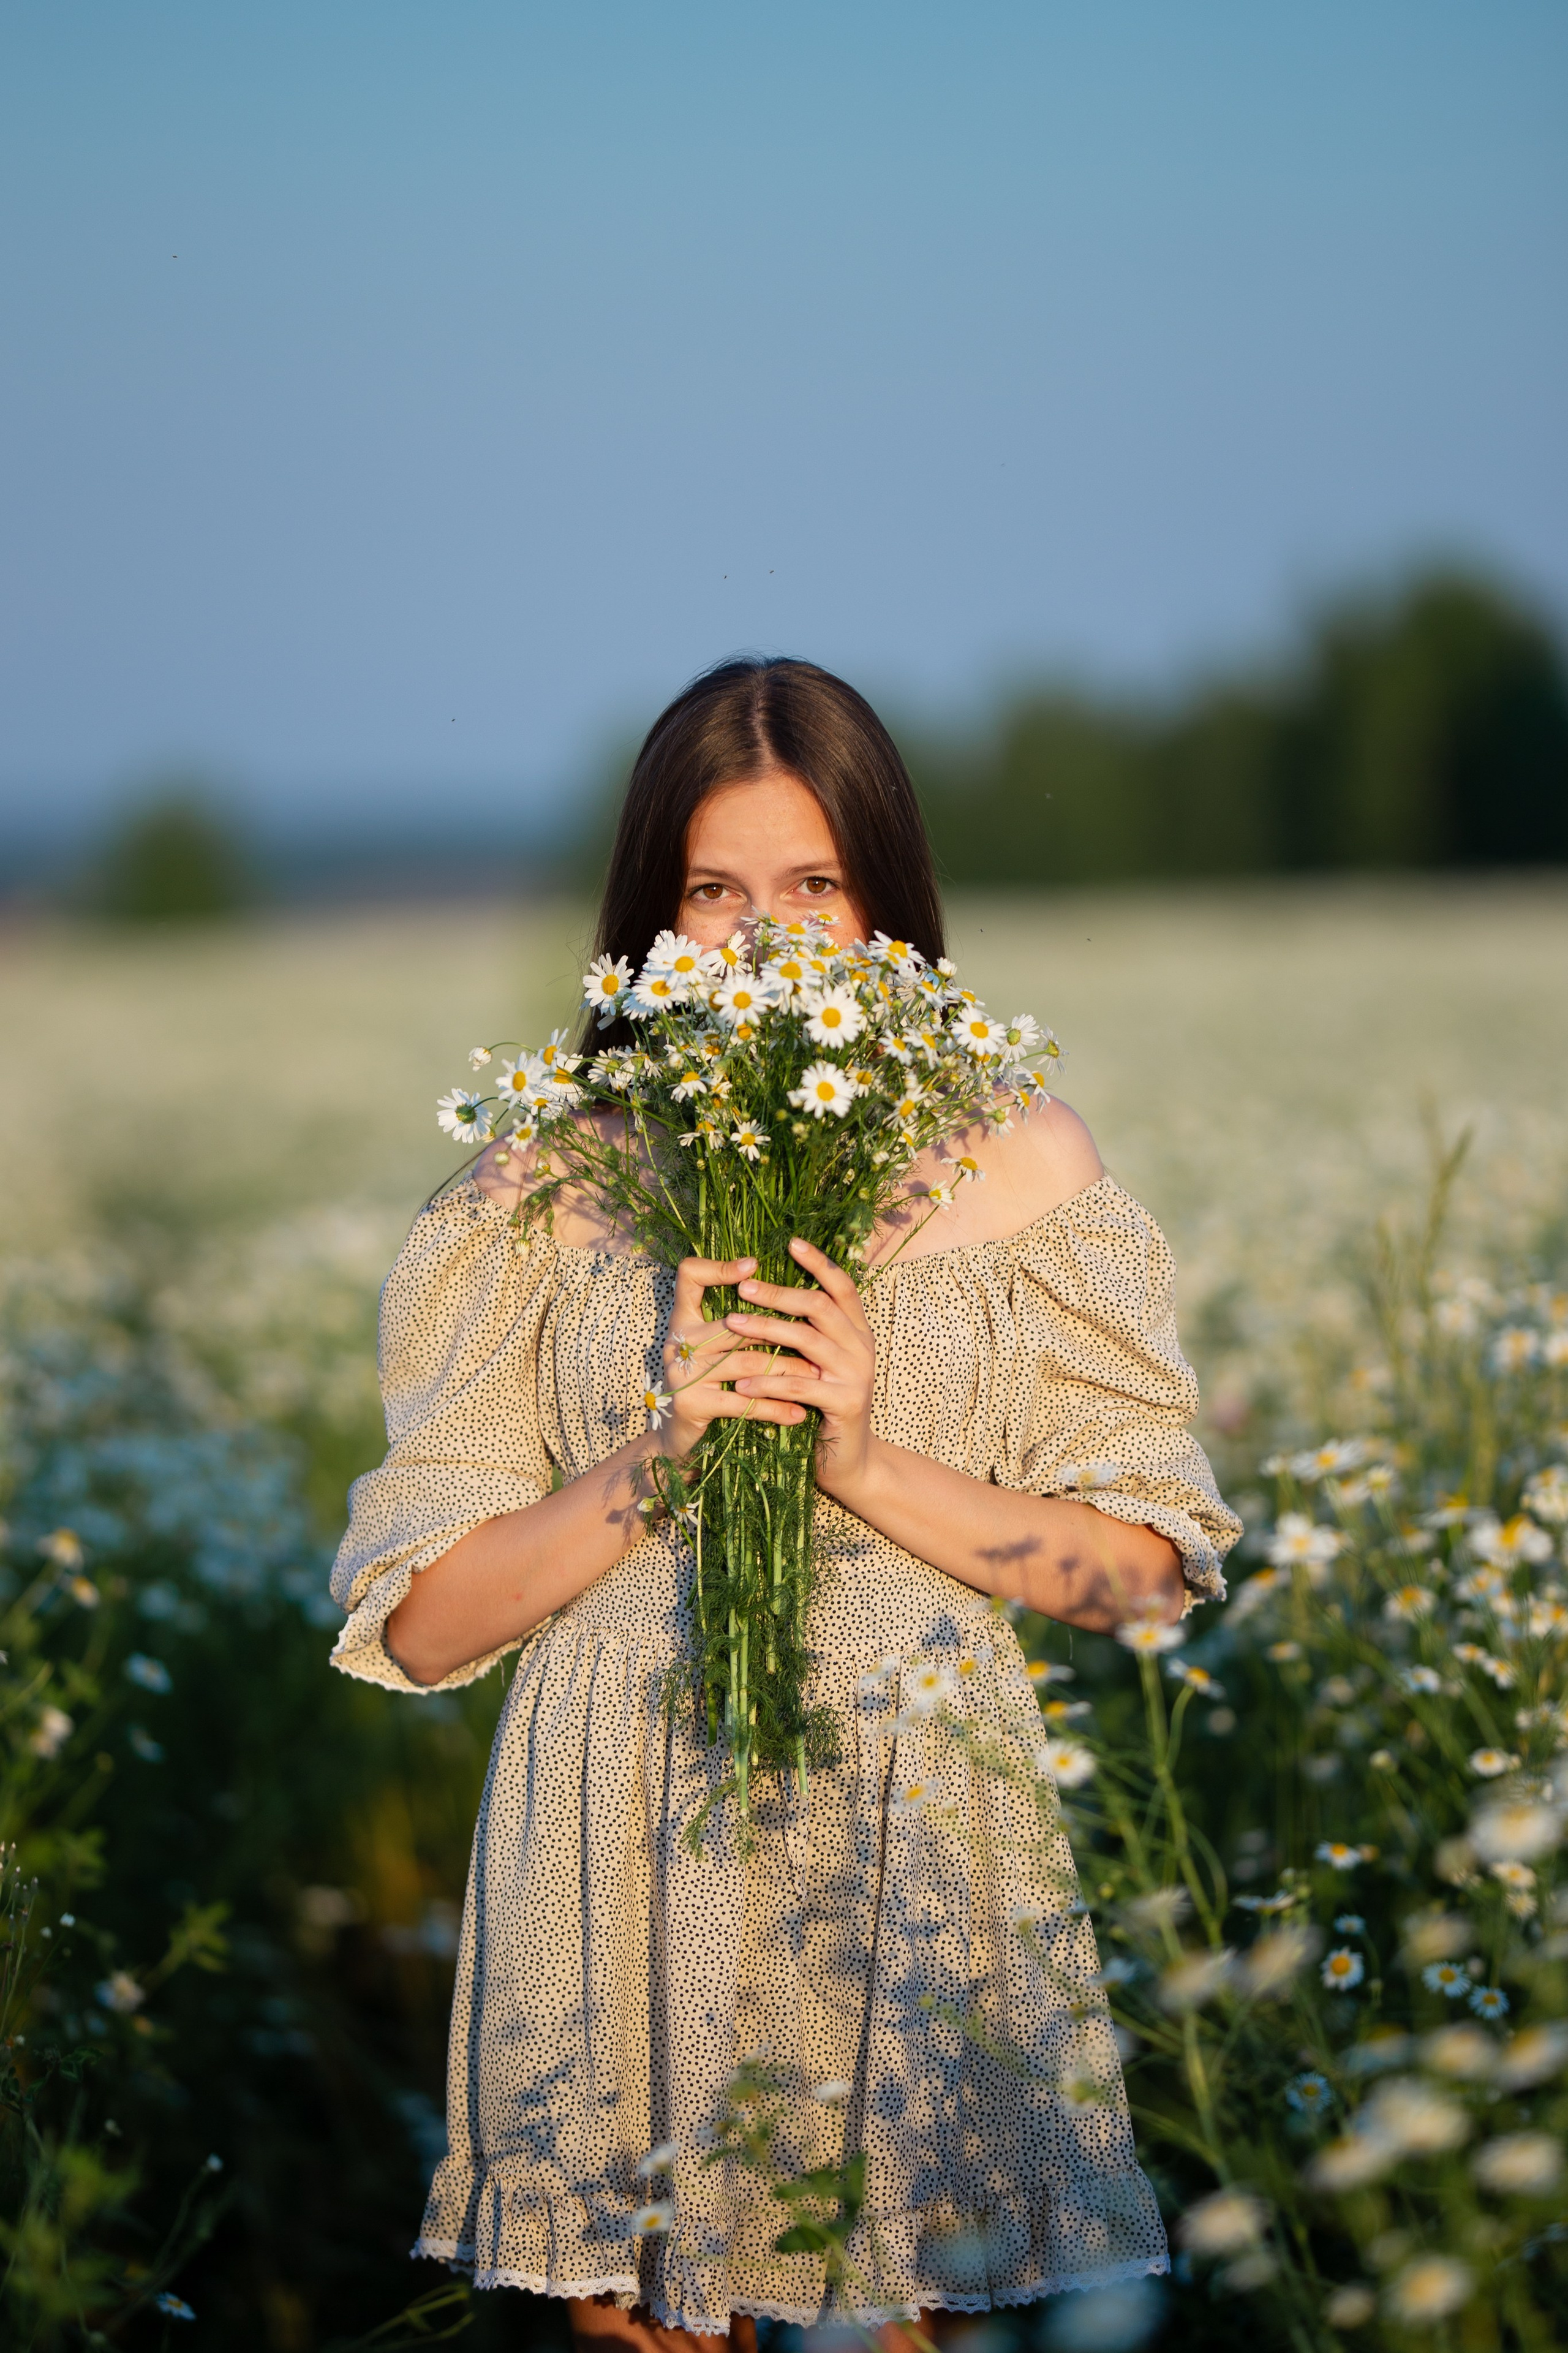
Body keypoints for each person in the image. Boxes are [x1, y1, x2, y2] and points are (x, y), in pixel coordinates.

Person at [330, 657, 1241, 2350]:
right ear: (651, 921)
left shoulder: (1025, 1159)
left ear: (888, 902)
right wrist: (657, 1458)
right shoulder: (539, 1180)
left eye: (815, 885)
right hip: (612, 1849)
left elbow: (1136, 1579)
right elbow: (425, 1620)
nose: (766, 937)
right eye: (715, 890)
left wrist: (862, 1460)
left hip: (911, 1846)